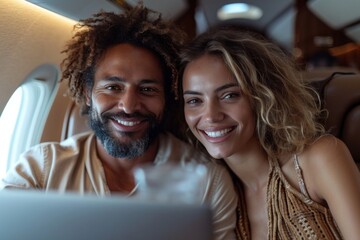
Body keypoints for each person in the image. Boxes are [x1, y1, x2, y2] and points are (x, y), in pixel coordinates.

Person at [0, 5, 238, 239]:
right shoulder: (41, 169)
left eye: (147, 89)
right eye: (113, 87)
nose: (129, 106)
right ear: (88, 93)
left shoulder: (207, 181)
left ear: (167, 98)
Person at [179, 26, 360, 239]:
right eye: (194, 101)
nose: (210, 116)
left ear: (262, 97)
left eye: (229, 95)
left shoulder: (319, 158)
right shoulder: (212, 192)